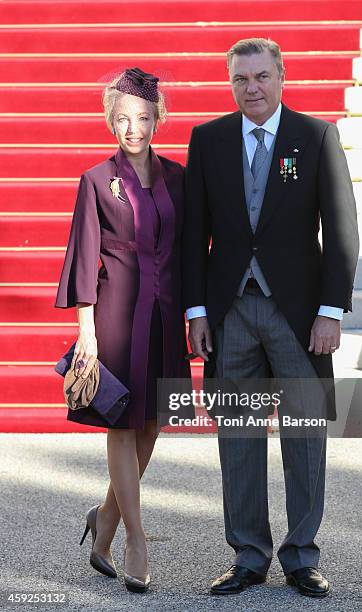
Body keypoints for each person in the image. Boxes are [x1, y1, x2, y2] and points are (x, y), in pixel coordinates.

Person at [183, 38, 359, 597]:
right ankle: (249, 556)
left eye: (261, 76)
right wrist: (197, 310)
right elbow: (194, 236)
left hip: (300, 316)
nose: (252, 88)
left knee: (305, 435)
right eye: (241, 79)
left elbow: (341, 230)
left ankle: (302, 556)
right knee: (237, 436)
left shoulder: (315, 136)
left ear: (281, 76)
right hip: (231, 313)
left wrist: (331, 310)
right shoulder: (208, 140)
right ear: (230, 83)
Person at [55, 67, 190, 593]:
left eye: (143, 117)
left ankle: (104, 518)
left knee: (153, 421)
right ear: (111, 121)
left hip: (164, 314)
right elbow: (82, 259)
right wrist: (85, 333)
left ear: (158, 119)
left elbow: (188, 249)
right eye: (124, 118)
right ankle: (136, 537)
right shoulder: (94, 181)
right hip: (114, 315)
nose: (133, 127)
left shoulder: (178, 178)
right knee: (122, 421)